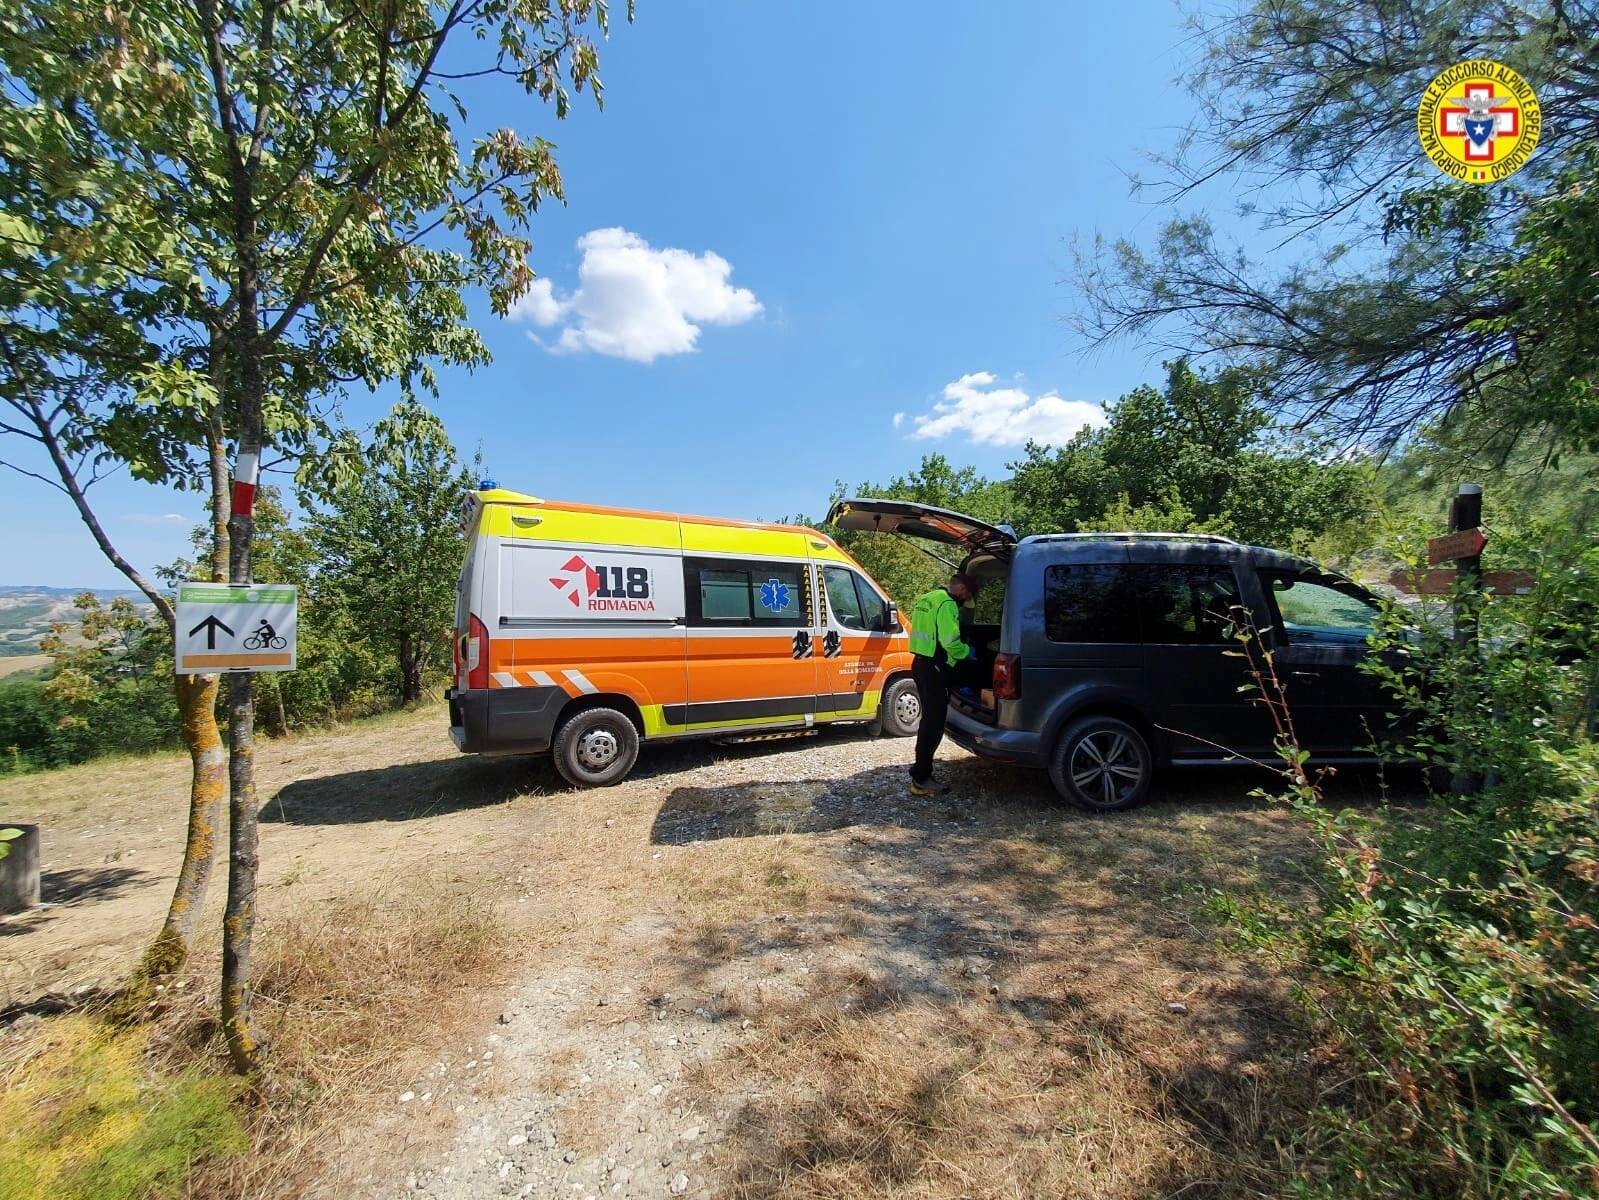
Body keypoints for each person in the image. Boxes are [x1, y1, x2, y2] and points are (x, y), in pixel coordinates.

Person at [906, 572, 979, 796]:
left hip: (919, 664)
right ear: (961, 590)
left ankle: (920, 774)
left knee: (927, 720)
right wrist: (969, 653)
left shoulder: (927, 598)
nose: (966, 600)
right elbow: (950, 643)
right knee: (933, 725)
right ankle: (921, 778)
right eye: (967, 596)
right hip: (934, 669)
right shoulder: (947, 605)